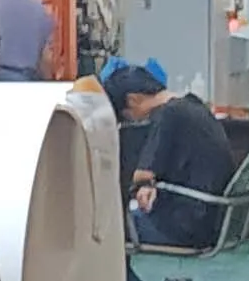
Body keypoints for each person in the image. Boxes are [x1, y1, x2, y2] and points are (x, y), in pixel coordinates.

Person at [101, 58, 239, 248]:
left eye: (127, 115)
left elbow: (142, 175)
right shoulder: (194, 105)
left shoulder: (168, 115)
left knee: (105, 231)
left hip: (188, 228)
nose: (133, 121)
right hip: (214, 219)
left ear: (133, 100)